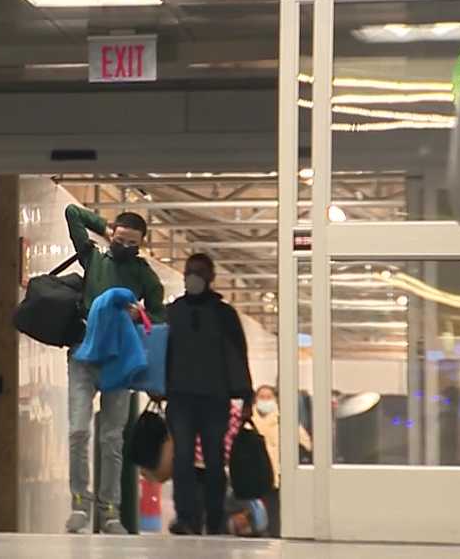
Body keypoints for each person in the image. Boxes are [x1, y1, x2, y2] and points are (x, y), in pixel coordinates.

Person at [64, 204, 166, 534]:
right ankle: (80, 502)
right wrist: (104, 226)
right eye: (120, 239)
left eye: (132, 243)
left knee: (111, 439)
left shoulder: (142, 273)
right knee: (78, 430)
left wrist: (142, 317)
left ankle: (110, 510)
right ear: (112, 235)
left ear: (140, 245)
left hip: (119, 363)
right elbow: (71, 213)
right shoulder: (94, 258)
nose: (124, 246)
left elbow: (159, 317)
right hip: (83, 355)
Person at [165, 253, 253, 535]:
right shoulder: (174, 311)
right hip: (180, 397)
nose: (194, 276)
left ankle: (214, 519)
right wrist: (157, 386)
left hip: (215, 399)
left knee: (215, 461)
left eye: (200, 272)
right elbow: (161, 352)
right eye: (190, 271)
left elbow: (239, 355)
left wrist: (246, 397)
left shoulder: (224, 314)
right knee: (183, 458)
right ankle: (186, 518)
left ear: (211, 277)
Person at [251, 384, 311, 537]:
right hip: (255, 478)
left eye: (268, 397)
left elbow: (306, 444)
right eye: (261, 397)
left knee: (275, 515)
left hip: (278, 477)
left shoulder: (285, 420)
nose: (265, 401)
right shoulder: (248, 422)